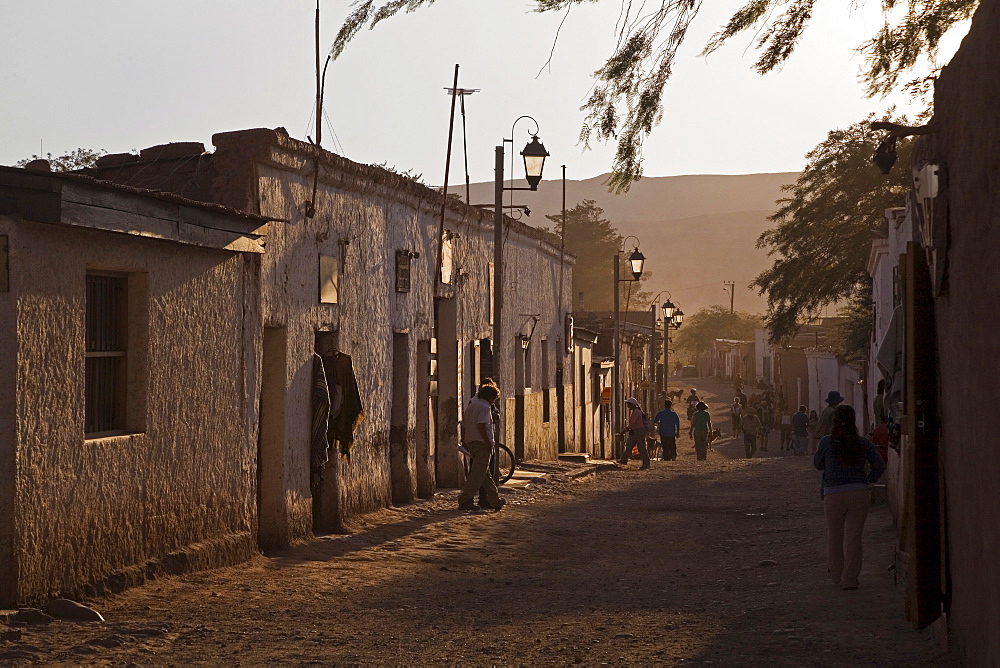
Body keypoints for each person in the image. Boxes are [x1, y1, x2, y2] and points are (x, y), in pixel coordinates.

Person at [813, 404, 885, 590]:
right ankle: (850, 579)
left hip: (833, 494)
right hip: (858, 493)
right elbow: (879, 464)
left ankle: (836, 574)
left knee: (834, 537)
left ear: (834, 421)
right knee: (854, 537)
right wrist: (868, 479)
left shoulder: (827, 442)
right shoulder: (863, 443)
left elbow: (817, 464)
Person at [457, 384, 505, 511]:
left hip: (472, 443)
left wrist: (464, 439)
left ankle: (494, 500)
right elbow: (482, 426)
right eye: (494, 399)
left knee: (485, 474)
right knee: (477, 475)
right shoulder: (485, 408)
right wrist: (489, 443)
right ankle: (465, 499)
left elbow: (464, 425)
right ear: (490, 397)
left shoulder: (472, 406)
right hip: (482, 444)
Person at [618, 397, 651, 469]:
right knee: (629, 445)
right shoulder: (636, 411)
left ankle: (646, 463)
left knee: (641, 447)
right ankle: (623, 460)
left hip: (639, 431)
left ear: (632, 405)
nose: (627, 406)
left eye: (628, 404)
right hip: (635, 431)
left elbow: (632, 423)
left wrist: (625, 429)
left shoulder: (636, 412)